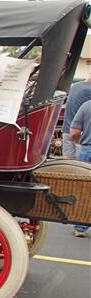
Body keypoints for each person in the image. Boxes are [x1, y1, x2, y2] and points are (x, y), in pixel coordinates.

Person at [68, 98, 91, 237]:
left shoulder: (87, 105)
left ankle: (80, 227)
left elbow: (74, 132)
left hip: (87, 150)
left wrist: (80, 142)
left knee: (85, 191)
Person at [62, 73, 91, 159]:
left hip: (67, 129)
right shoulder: (88, 90)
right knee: (81, 166)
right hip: (80, 135)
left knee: (68, 164)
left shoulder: (74, 86)